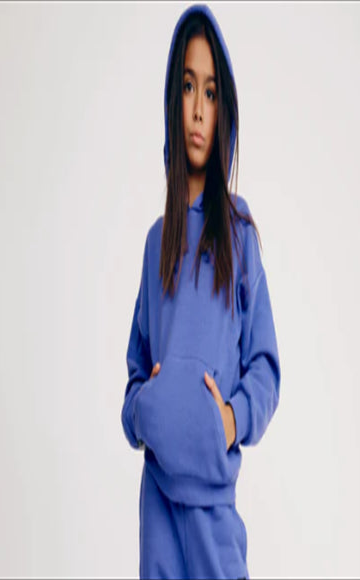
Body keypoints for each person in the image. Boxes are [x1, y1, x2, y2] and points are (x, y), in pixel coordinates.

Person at [121, 4, 281, 579]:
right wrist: (143, 412)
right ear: (174, 100)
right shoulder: (155, 243)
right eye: (188, 87)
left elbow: (265, 367)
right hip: (157, 504)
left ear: (223, 111)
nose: (197, 109)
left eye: (210, 93)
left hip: (213, 507)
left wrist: (230, 421)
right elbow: (135, 371)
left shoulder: (238, 235)